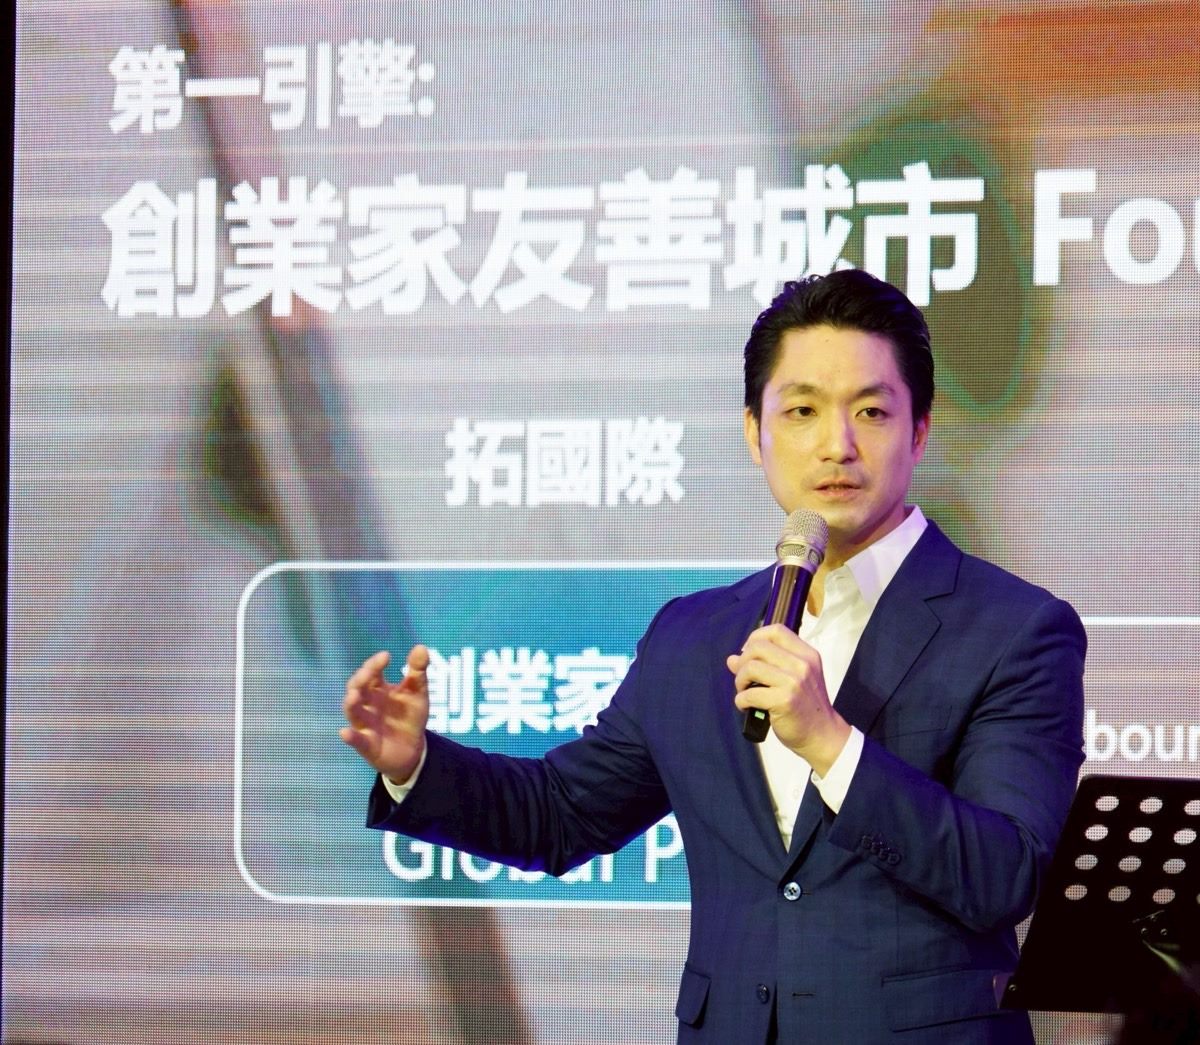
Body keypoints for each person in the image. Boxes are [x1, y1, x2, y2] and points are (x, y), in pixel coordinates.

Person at [341, 269, 1087, 1043]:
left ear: (920, 429)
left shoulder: (1014, 629)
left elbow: (1007, 872)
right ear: (753, 431)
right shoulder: (693, 635)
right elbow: (560, 814)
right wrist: (415, 763)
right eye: (801, 411)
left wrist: (831, 744)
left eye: (870, 410)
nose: (836, 444)